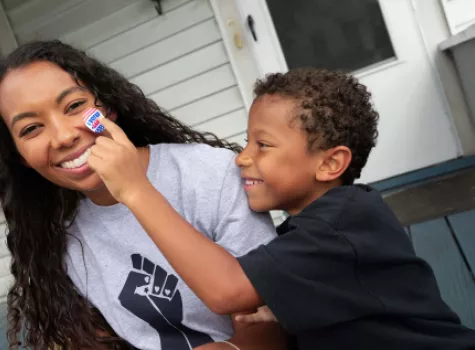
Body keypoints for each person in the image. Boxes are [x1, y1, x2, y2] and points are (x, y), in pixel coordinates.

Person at [103, 68, 475, 349]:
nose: (242, 158)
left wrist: (136, 190)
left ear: (330, 164)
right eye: (247, 141)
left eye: (263, 144)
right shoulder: (317, 229)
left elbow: (226, 290)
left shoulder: (344, 223)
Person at [0, 40, 288, 350]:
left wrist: (134, 191)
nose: (64, 136)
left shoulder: (209, 175)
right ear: (20, 156)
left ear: (107, 106)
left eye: (74, 106)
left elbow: (273, 318)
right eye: (31, 129)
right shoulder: (61, 239)